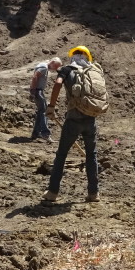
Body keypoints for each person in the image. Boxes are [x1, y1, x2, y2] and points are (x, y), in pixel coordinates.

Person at [43, 46, 103, 203]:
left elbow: (57, 84)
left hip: (73, 120)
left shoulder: (67, 69)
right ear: (87, 57)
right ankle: (93, 194)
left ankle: (52, 193)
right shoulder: (94, 70)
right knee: (92, 155)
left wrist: (51, 106)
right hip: (91, 119)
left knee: (62, 155)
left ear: (73, 56)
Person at [29, 57, 62, 142]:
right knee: (44, 111)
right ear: (53, 62)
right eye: (56, 66)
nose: (55, 69)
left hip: (37, 91)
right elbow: (35, 76)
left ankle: (36, 133)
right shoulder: (44, 67)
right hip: (38, 91)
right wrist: (33, 91)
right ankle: (45, 134)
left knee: (41, 111)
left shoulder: (43, 66)